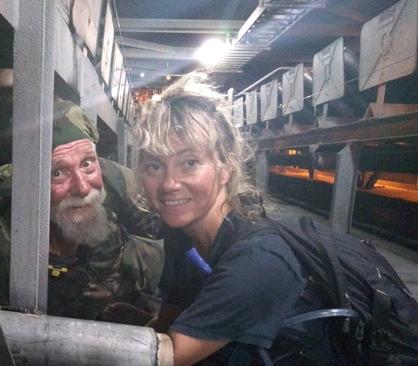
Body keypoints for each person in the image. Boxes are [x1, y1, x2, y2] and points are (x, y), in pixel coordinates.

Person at [133, 72, 335, 365]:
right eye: (154, 165)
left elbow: (168, 358)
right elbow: (171, 317)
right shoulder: (182, 237)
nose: (169, 184)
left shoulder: (257, 260)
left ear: (225, 168)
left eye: (189, 163)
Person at [0, 100, 164, 325]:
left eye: (87, 163)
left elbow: (158, 244)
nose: (83, 188)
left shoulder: (119, 182)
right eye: (57, 172)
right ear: (30, 181)